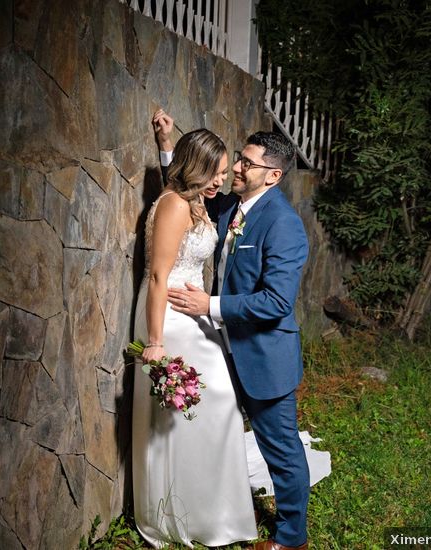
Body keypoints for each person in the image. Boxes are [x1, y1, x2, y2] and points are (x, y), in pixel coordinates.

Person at [155, 109, 312, 550]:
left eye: (246, 163)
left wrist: (211, 304)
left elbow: (278, 301)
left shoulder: (284, 225)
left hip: (264, 357)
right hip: (221, 351)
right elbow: (186, 189)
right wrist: (167, 146)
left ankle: (291, 540)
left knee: (280, 452)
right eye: (239, 159)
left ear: (273, 175)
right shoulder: (230, 206)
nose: (237, 168)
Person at [132, 128, 259, 548]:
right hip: (169, 317)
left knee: (214, 405)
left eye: (225, 172)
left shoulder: (194, 200)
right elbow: (157, 275)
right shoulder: (174, 205)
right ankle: (186, 512)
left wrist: (167, 144)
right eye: (217, 172)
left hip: (193, 314)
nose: (222, 180)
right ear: (199, 167)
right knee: (204, 404)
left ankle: (211, 508)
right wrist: (154, 341)